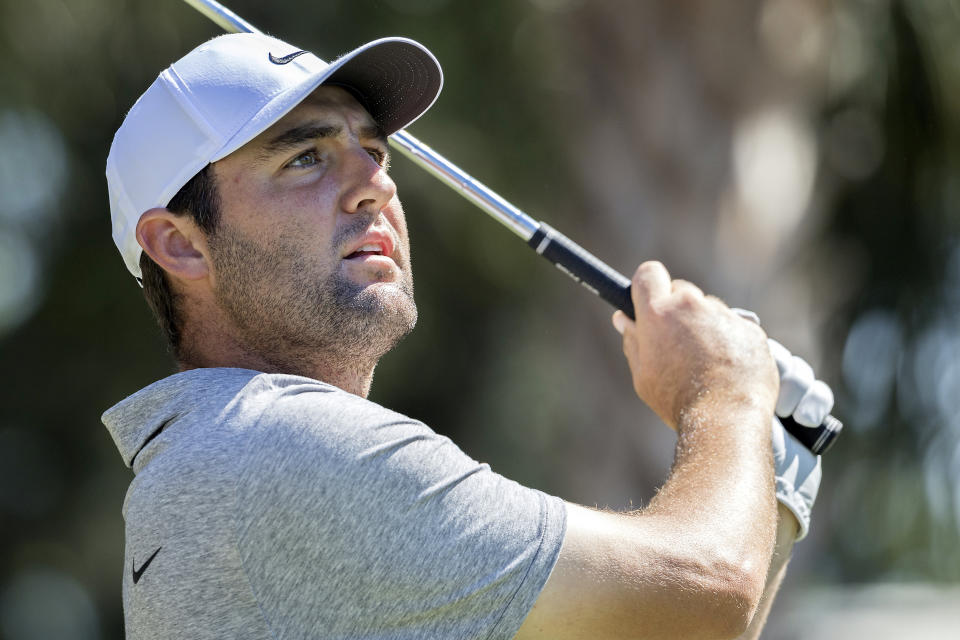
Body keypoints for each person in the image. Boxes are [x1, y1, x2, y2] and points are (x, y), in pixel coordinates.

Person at [103, 31, 830, 640]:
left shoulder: (223, 457)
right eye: (306, 158)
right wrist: (726, 394)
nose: (377, 185)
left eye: (376, 153)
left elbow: (675, 624)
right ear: (179, 244)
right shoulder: (275, 445)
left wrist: (774, 469)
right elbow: (707, 586)